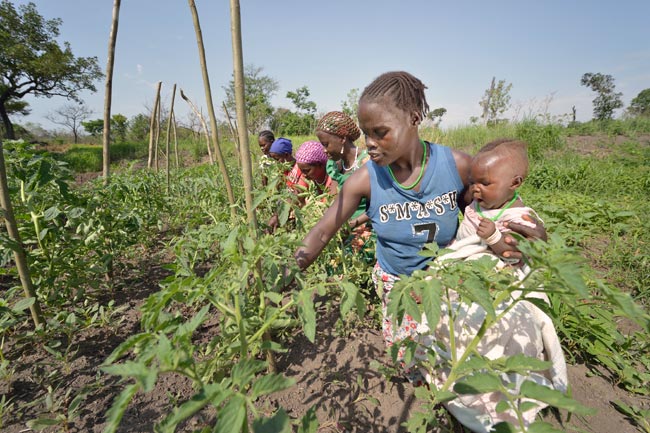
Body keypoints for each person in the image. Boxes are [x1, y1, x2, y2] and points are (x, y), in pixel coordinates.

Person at [290, 71, 549, 431]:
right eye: (366, 134)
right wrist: (286, 271)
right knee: (411, 365)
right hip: (398, 289)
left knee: (459, 367)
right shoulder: (365, 179)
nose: (372, 143)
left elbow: (490, 207)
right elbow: (321, 231)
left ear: (414, 119)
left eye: (381, 132)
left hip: (449, 286)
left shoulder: (456, 166)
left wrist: (529, 227)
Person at [443, 138, 544, 270]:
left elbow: (514, 252)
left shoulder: (518, 217)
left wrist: (494, 237)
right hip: (464, 255)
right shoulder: (481, 204)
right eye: (472, 182)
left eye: (485, 183)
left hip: (495, 266)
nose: (475, 188)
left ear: (514, 183)